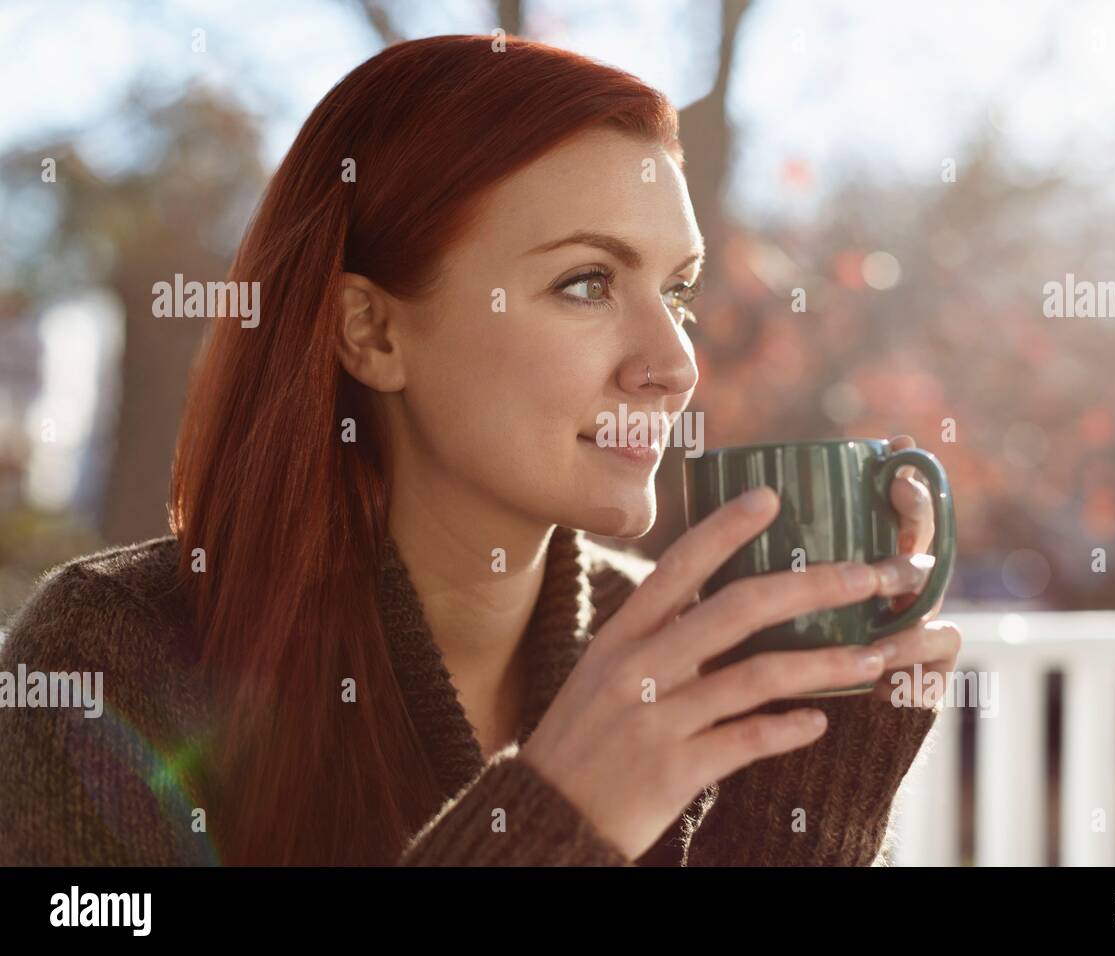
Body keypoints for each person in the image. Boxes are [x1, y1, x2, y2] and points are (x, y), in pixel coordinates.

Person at [0, 34, 960, 866]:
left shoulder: (687, 666)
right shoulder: (106, 659)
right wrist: (553, 821)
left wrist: (815, 791)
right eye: (587, 283)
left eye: (678, 292)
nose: (675, 365)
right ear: (371, 333)